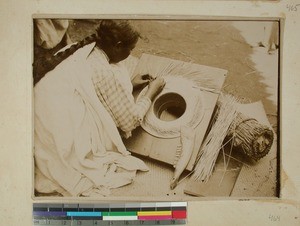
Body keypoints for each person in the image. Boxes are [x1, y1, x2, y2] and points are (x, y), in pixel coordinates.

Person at [34, 19, 165, 197]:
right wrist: (152, 92)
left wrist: (130, 84)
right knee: (93, 142)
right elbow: (130, 122)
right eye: (131, 49)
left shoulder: (85, 47)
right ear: (118, 46)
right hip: (54, 133)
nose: (130, 53)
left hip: (38, 115)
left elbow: (98, 90)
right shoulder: (103, 71)